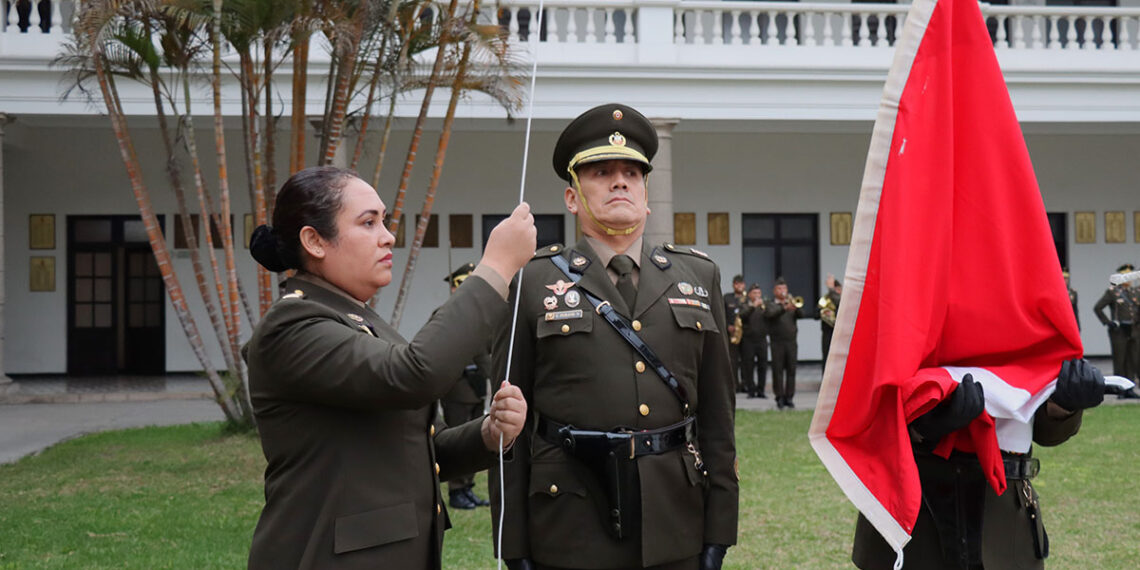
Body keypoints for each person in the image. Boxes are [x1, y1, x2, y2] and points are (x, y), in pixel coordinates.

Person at [243, 166, 537, 569]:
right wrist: (496, 268)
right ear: (314, 240)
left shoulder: (357, 320)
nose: (388, 236)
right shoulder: (292, 326)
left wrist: (486, 435)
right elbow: (417, 373)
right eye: (368, 222)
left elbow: (415, 451)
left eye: (384, 220)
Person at [492, 103, 738, 570]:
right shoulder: (531, 280)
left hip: (676, 520)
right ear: (572, 197)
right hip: (568, 524)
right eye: (601, 172)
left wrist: (719, 530)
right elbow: (510, 426)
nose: (620, 181)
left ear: (646, 195)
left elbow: (718, 419)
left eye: (632, 173)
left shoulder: (697, 274)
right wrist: (514, 545)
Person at [851, 358, 1107, 569]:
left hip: (1003, 515)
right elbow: (864, 389)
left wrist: (1063, 405)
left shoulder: (1026, 296)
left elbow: (1046, 429)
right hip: (912, 507)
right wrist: (918, 419)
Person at [440, 262, 493, 510]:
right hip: (457, 386)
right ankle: (456, 490)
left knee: (474, 435)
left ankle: (468, 487)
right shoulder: (445, 313)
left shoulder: (480, 315)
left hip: (477, 385)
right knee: (457, 435)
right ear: (454, 287)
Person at [1093, 263, 1139, 397]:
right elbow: (1098, 308)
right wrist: (1108, 322)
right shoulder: (1112, 292)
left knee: (1132, 359)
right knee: (1120, 359)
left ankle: (1129, 388)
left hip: (1133, 329)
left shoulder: (1134, 292)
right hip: (1119, 331)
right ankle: (1120, 389)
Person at [765, 277, 805, 409]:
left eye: (784, 289)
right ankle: (779, 397)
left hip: (791, 342)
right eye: (780, 289)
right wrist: (784, 307)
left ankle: (789, 397)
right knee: (778, 370)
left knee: (791, 370)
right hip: (777, 342)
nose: (783, 291)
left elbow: (802, 315)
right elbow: (770, 314)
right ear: (774, 291)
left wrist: (795, 307)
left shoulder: (791, 303)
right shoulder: (771, 303)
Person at [738, 284, 769, 398]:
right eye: (754, 293)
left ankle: (761, 390)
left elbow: (771, 315)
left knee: (763, 365)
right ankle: (751, 390)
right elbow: (741, 315)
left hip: (762, 340)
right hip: (748, 340)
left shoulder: (764, 305)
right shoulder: (745, 305)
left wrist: (763, 307)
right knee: (748, 365)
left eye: (759, 293)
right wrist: (752, 307)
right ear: (750, 294)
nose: (757, 296)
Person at [724, 275, 747, 393]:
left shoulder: (747, 298)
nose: (739, 286)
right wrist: (728, 325)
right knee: (732, 361)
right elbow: (722, 313)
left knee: (746, 360)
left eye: (741, 284)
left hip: (746, 334)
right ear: (733, 285)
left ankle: (745, 384)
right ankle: (734, 385)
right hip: (733, 334)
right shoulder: (727, 298)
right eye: (737, 284)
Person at [817, 273, 842, 373]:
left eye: (840, 289)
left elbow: (839, 304)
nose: (839, 292)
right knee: (827, 357)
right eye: (837, 289)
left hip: (839, 333)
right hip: (827, 333)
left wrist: (831, 289)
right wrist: (823, 312)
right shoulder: (825, 299)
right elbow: (816, 313)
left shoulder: (842, 300)